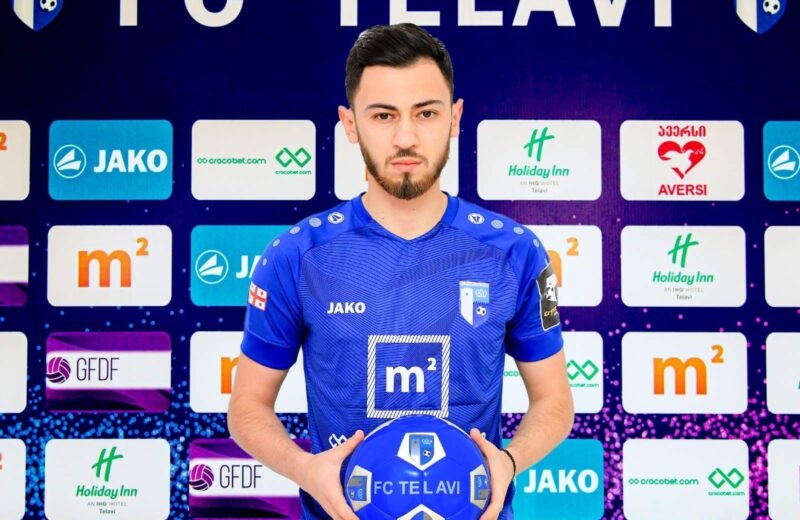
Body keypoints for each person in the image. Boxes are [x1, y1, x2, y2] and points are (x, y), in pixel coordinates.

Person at [227, 23, 574, 520]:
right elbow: (247, 409)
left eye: (426, 113)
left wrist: (509, 461)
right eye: (383, 115)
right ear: (350, 124)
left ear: (455, 118)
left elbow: (555, 402)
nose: (406, 137)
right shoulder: (296, 256)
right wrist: (307, 470)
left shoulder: (514, 252)